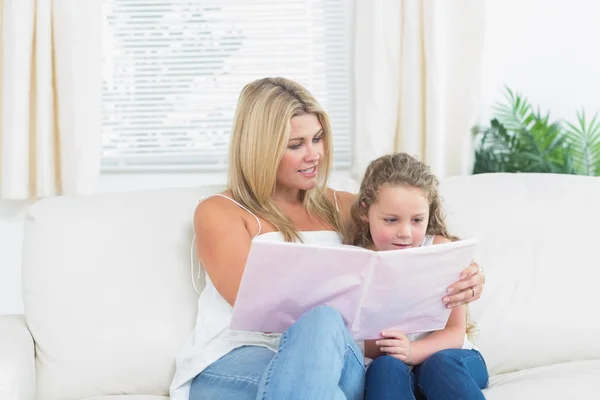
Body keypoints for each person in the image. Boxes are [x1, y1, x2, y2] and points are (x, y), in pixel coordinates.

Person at [169, 77, 486, 400]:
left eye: (318, 138)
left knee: (324, 326)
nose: (314, 154)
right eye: (296, 145)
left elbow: (419, 247)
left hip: (338, 359)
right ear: (260, 149)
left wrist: (468, 276)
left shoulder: (347, 206)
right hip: (238, 359)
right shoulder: (221, 212)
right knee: (320, 328)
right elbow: (258, 311)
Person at [344, 152, 488, 399]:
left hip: (451, 358)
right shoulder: (356, 263)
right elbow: (353, 338)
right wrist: (396, 351)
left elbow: (455, 332)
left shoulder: (441, 250)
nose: (405, 233)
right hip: (390, 363)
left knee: (436, 365)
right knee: (385, 367)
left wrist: (412, 350)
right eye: (391, 220)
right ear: (364, 212)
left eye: (417, 220)